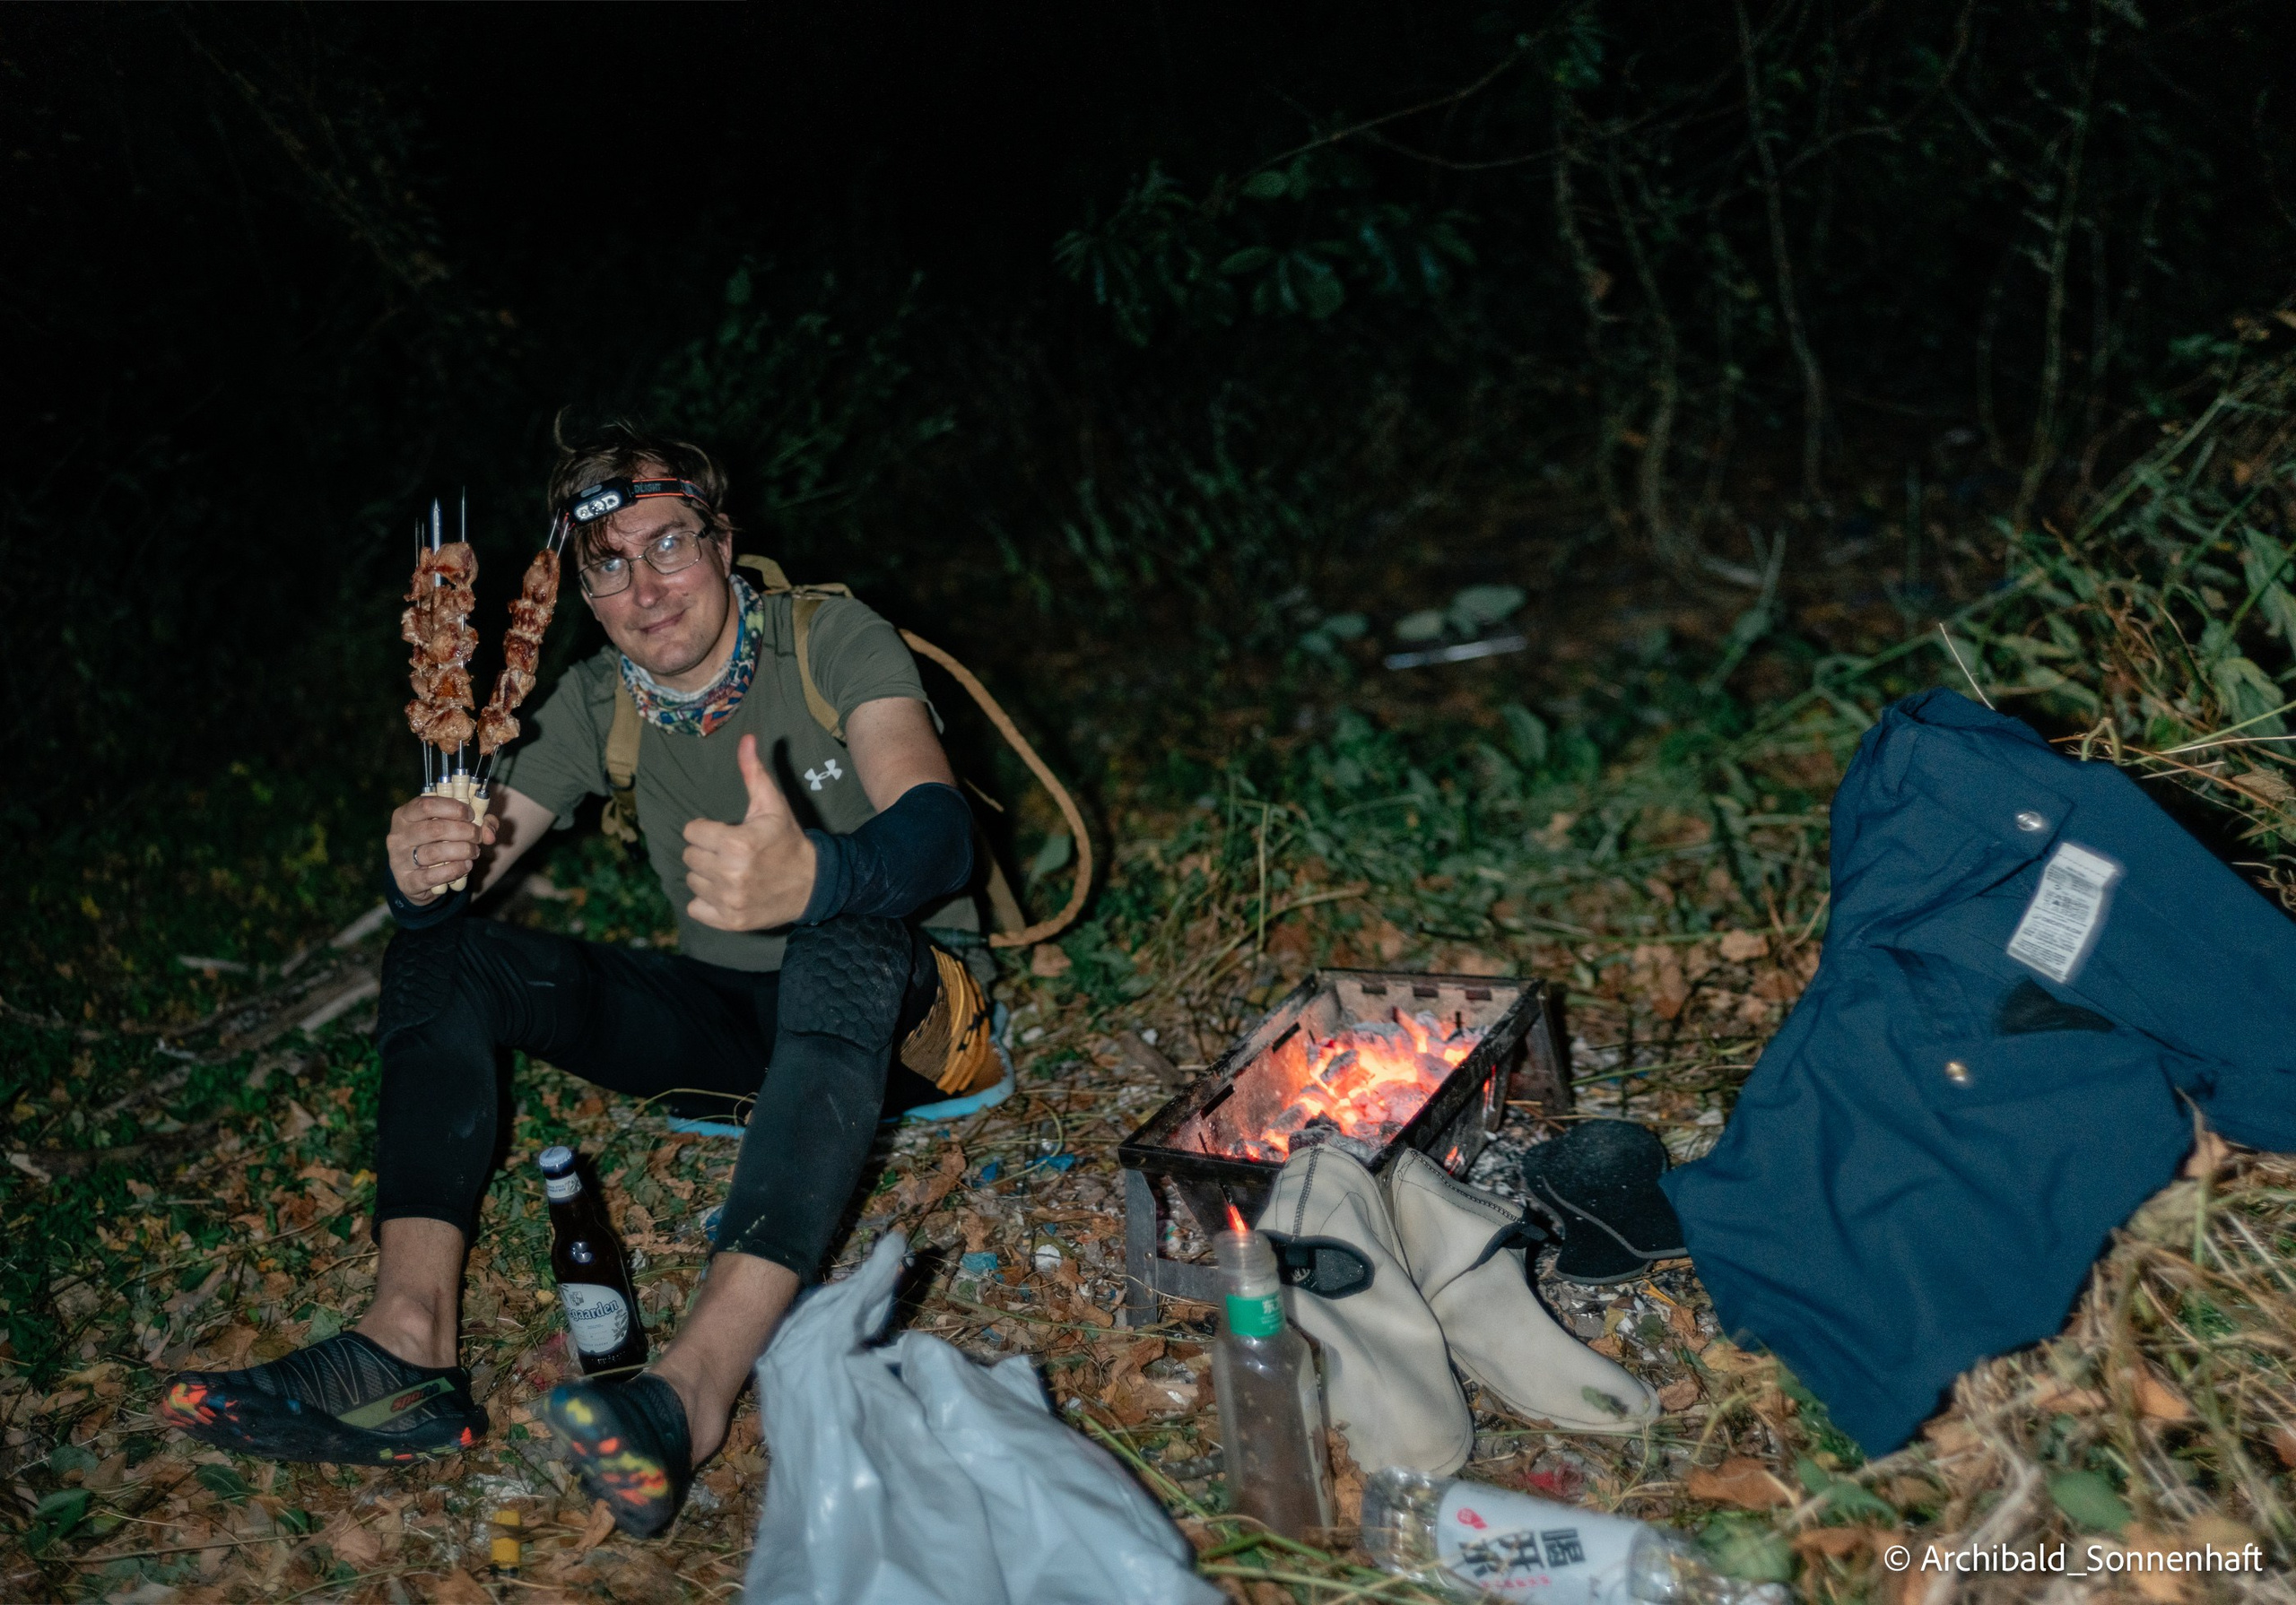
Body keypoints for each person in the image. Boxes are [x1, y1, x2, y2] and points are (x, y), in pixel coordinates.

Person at [161, 424, 993, 1538]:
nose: (647, 587)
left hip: (910, 1017)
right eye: (609, 562)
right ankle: (408, 1343)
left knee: (840, 931)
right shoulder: (596, 700)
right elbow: (465, 873)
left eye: (669, 546)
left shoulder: (825, 638)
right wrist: (420, 874)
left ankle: (685, 1397)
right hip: (736, 1028)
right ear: (583, 590)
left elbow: (937, 833)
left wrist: (820, 870)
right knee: (443, 952)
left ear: (723, 543)